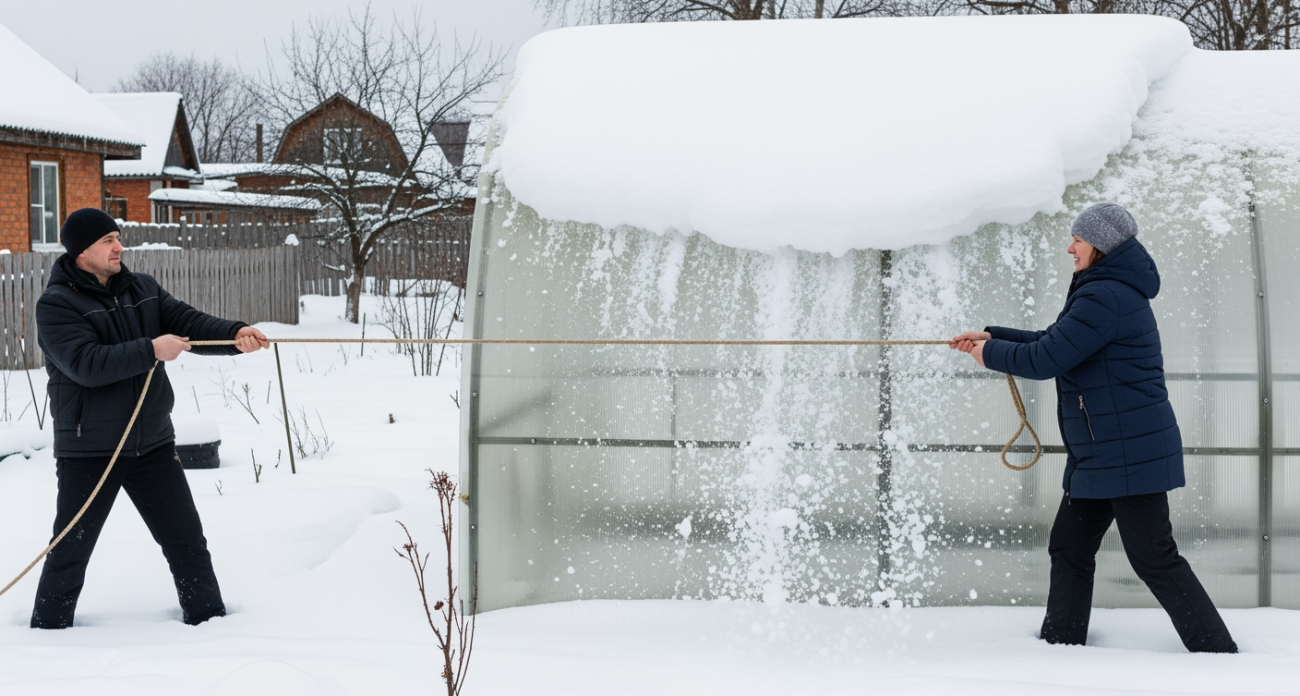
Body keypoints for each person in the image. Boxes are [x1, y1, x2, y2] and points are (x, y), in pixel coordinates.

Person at [949, 202, 1237, 653]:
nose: (1070, 248)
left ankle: (1217, 652)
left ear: (1100, 245)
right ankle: (1062, 646)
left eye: (1077, 240)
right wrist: (994, 337)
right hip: (1105, 453)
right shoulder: (1104, 289)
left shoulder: (1105, 295)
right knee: (1069, 548)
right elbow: (1057, 339)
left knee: (1154, 559)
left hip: (1128, 453)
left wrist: (988, 355)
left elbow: (1047, 358)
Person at [29, 208, 270, 629]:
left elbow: (188, 324)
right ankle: (49, 633)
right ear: (81, 251)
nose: (119, 247)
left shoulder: (142, 288)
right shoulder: (56, 304)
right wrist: (151, 350)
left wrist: (235, 335)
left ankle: (211, 624)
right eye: (108, 241)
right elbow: (85, 364)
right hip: (90, 450)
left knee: (187, 543)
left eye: (117, 238)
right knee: (70, 551)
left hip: (152, 443)